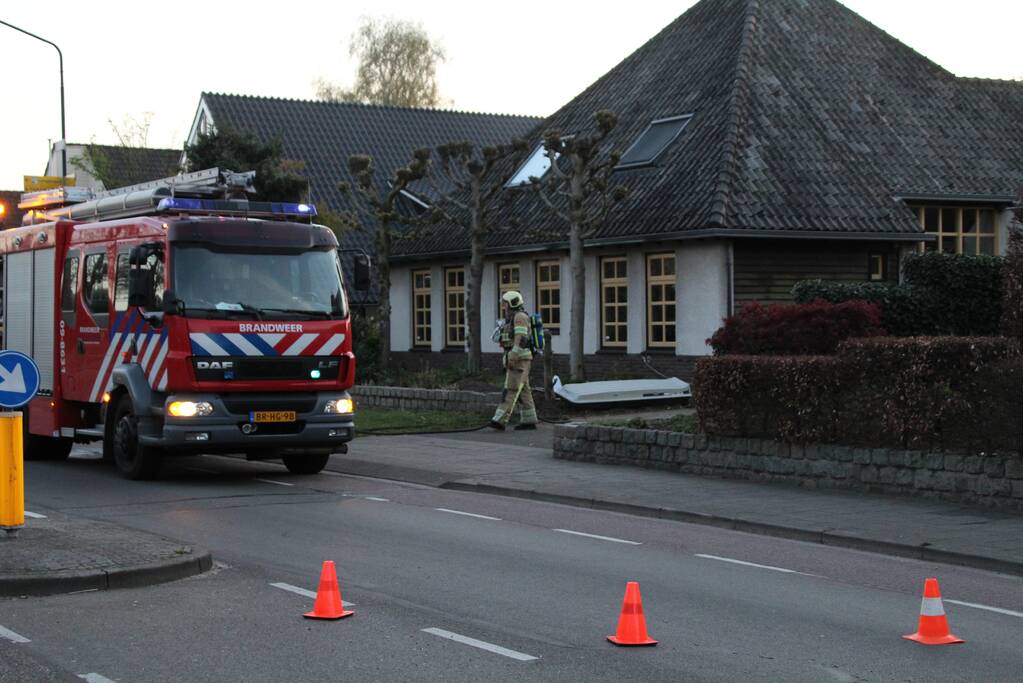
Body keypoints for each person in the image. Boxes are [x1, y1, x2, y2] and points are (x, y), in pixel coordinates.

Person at [490, 290, 539, 431]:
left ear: (512, 303)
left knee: (511, 389)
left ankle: (499, 420)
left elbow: (521, 338)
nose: (503, 306)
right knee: (524, 390)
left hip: (519, 359)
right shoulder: (512, 318)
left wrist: (513, 355)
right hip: (518, 358)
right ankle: (529, 420)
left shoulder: (520, 317)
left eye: (505, 304)